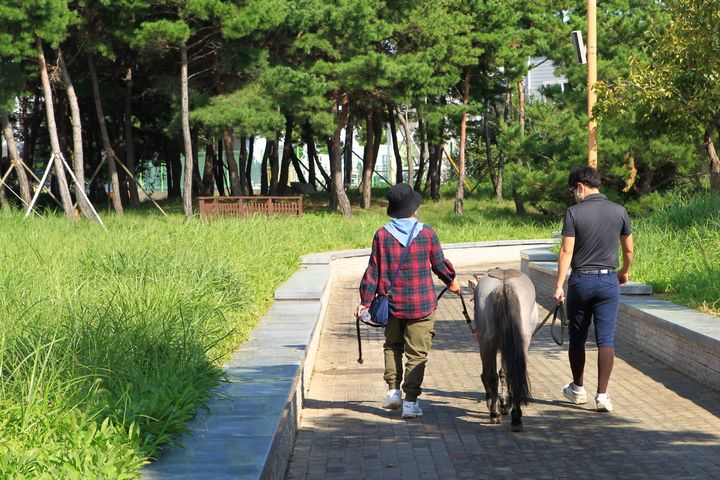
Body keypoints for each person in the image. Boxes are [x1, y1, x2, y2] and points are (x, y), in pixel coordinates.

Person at [356, 183, 460, 419]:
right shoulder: (427, 233)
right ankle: (411, 403)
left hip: (391, 305)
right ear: (414, 208)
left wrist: (364, 301)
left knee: (392, 346)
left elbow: (373, 270)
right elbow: (440, 265)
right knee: (417, 354)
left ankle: (393, 391)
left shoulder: (382, 234)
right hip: (421, 304)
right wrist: (451, 282)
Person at [553, 166, 634, 412]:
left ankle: (577, 390)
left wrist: (559, 285)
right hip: (609, 282)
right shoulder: (619, 211)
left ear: (580, 186)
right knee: (605, 339)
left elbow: (567, 251)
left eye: (573, 190)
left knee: (577, 338)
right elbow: (629, 250)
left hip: (581, 282)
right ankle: (602, 396)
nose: (573, 195)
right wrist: (624, 271)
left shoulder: (574, 213)